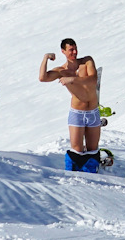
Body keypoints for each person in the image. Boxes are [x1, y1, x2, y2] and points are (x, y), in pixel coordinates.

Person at [40, 37, 102, 169]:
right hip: (77, 112)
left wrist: (72, 79)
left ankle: (92, 175)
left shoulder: (86, 61)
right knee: (77, 149)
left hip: (92, 111)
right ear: (63, 51)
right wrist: (45, 58)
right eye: (71, 50)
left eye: (75, 48)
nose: (74, 52)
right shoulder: (61, 71)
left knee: (92, 148)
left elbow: (93, 79)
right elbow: (42, 78)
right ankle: (73, 176)